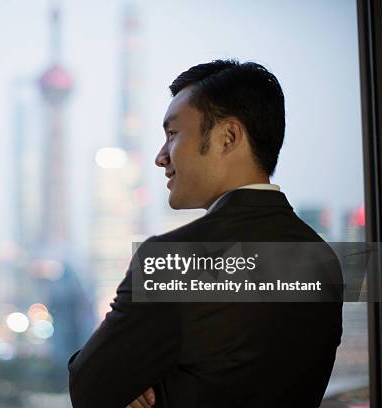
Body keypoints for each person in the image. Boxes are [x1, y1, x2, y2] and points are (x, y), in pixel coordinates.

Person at [67, 59, 343, 407]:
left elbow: (89, 387)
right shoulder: (323, 258)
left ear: (228, 137)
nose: (160, 157)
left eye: (172, 134)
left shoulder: (176, 260)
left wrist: (139, 383)